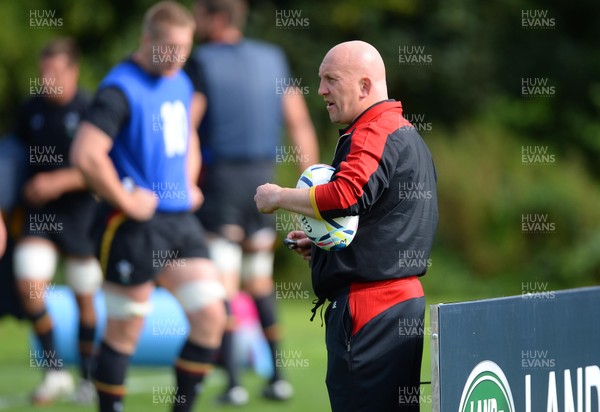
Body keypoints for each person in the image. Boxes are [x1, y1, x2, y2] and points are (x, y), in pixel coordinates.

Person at [255, 41, 438, 411]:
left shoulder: (373, 130)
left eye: (330, 79)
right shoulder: (404, 132)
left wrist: (278, 196)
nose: (321, 90)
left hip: (369, 307)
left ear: (365, 87)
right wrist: (324, 247)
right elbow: (385, 220)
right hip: (398, 304)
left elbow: (344, 196)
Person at [70, 2, 226, 411]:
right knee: (126, 330)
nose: (178, 57)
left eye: (185, 48)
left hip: (180, 221)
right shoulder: (119, 88)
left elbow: (187, 135)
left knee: (211, 317)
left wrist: (189, 181)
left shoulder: (181, 81)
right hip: (132, 226)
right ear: (147, 40)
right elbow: (87, 154)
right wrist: (126, 200)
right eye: (170, 48)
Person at [183, 0, 319, 404]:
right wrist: (309, 191)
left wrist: (181, 184)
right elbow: (299, 123)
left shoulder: (201, 61)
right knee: (259, 281)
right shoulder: (272, 58)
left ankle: (235, 384)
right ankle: (278, 377)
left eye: (199, 13)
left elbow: (188, 124)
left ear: (216, 17)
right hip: (264, 183)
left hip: (221, 183)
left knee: (223, 283)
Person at [13, 38, 102, 405]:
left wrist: (58, 180)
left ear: (73, 71)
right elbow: (13, 159)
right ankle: (54, 371)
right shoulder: (29, 110)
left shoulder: (90, 109)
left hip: (81, 216)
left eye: (56, 72)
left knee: (85, 298)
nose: (48, 79)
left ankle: (87, 378)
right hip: (39, 216)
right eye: (43, 72)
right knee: (29, 285)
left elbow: (102, 168)